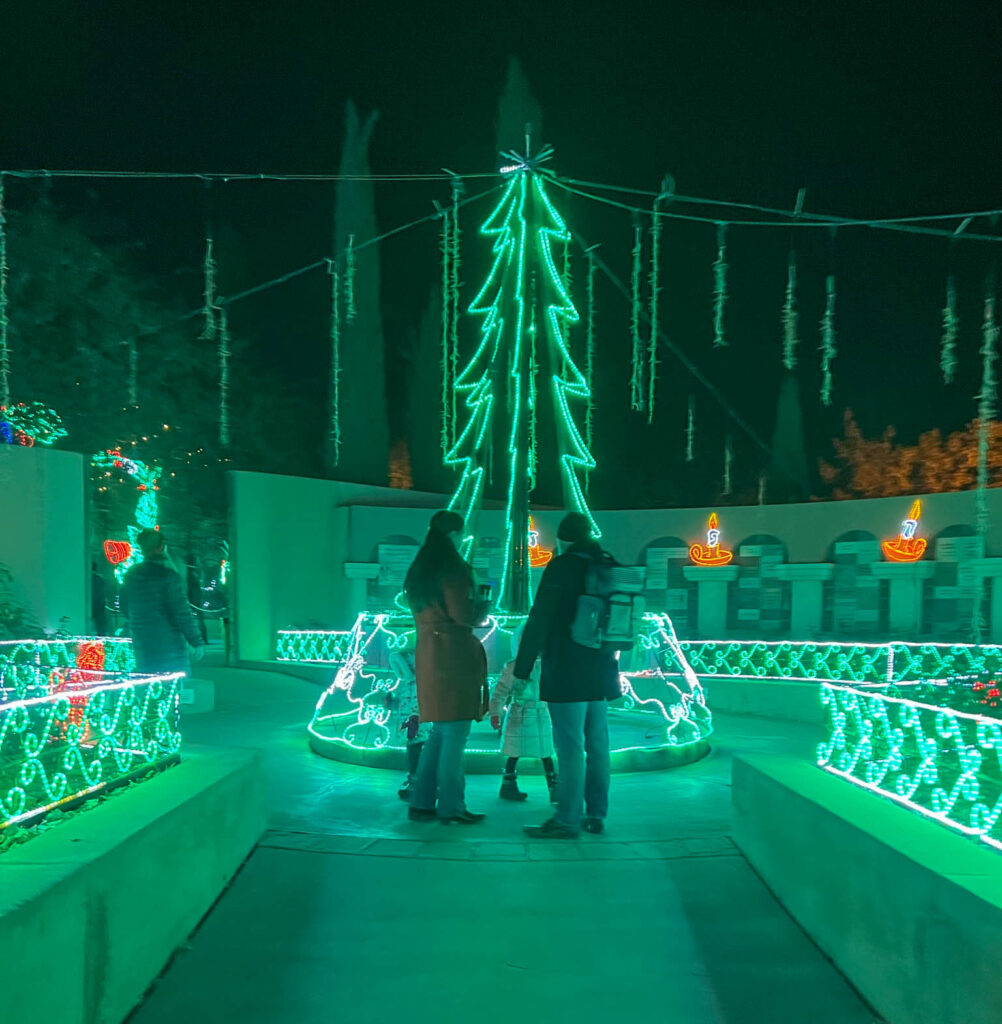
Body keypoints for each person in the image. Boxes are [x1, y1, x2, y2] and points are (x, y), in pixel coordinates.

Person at [515, 512, 619, 839]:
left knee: (571, 746)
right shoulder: (607, 563)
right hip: (602, 667)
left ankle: (566, 820)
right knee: (598, 743)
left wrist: (522, 669)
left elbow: (540, 618)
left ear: (562, 538)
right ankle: (596, 814)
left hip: (568, 669)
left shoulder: (562, 565)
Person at [403, 510, 490, 825]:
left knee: (439, 732)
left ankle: (422, 802)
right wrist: (482, 604)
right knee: (455, 734)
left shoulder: (419, 569)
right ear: (455, 534)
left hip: (429, 654)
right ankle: (452, 807)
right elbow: (464, 616)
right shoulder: (453, 568)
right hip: (452, 655)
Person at [120, 529, 206, 674]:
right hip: (168, 644)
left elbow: (124, 605)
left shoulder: (131, 575)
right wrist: (196, 641)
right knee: (174, 687)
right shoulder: (169, 576)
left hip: (142, 640)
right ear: (162, 547)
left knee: (148, 685)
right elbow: (181, 612)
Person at [490, 627, 558, 803]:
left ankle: (552, 787)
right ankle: (551, 787)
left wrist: (495, 712)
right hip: (524, 713)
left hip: (536, 713)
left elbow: (500, 692)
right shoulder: (518, 666)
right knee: (528, 752)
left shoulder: (545, 664)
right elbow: (500, 692)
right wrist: (495, 712)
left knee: (540, 752)